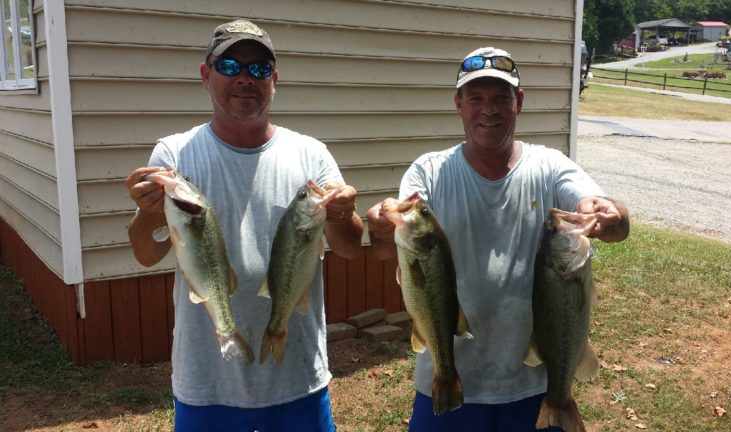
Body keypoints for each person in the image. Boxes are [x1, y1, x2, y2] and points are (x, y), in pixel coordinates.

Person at [366, 47, 630, 431]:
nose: (488, 110)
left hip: (534, 383)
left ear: (518, 102)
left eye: (500, 98)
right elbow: (389, 248)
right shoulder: (429, 172)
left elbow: (617, 224)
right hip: (449, 376)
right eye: (476, 98)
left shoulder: (550, 166)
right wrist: (379, 227)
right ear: (459, 104)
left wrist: (611, 214)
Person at [125, 19, 363, 431]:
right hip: (206, 382)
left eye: (257, 69)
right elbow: (146, 254)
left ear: (274, 80)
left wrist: (342, 215)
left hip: (299, 378)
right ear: (206, 76)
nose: (245, 80)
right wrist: (149, 214)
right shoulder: (175, 153)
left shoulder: (311, 154)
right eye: (230, 66)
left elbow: (348, 246)